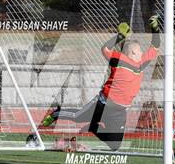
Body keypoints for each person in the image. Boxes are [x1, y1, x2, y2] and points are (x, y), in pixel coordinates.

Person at [42, 16, 161, 151]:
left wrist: (155, 28)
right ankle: (56, 114)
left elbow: (155, 46)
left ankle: (93, 127)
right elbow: (105, 49)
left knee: (115, 145)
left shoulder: (140, 64)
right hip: (103, 104)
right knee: (77, 116)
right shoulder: (119, 58)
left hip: (120, 111)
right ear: (133, 52)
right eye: (140, 50)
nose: (142, 52)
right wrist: (120, 36)